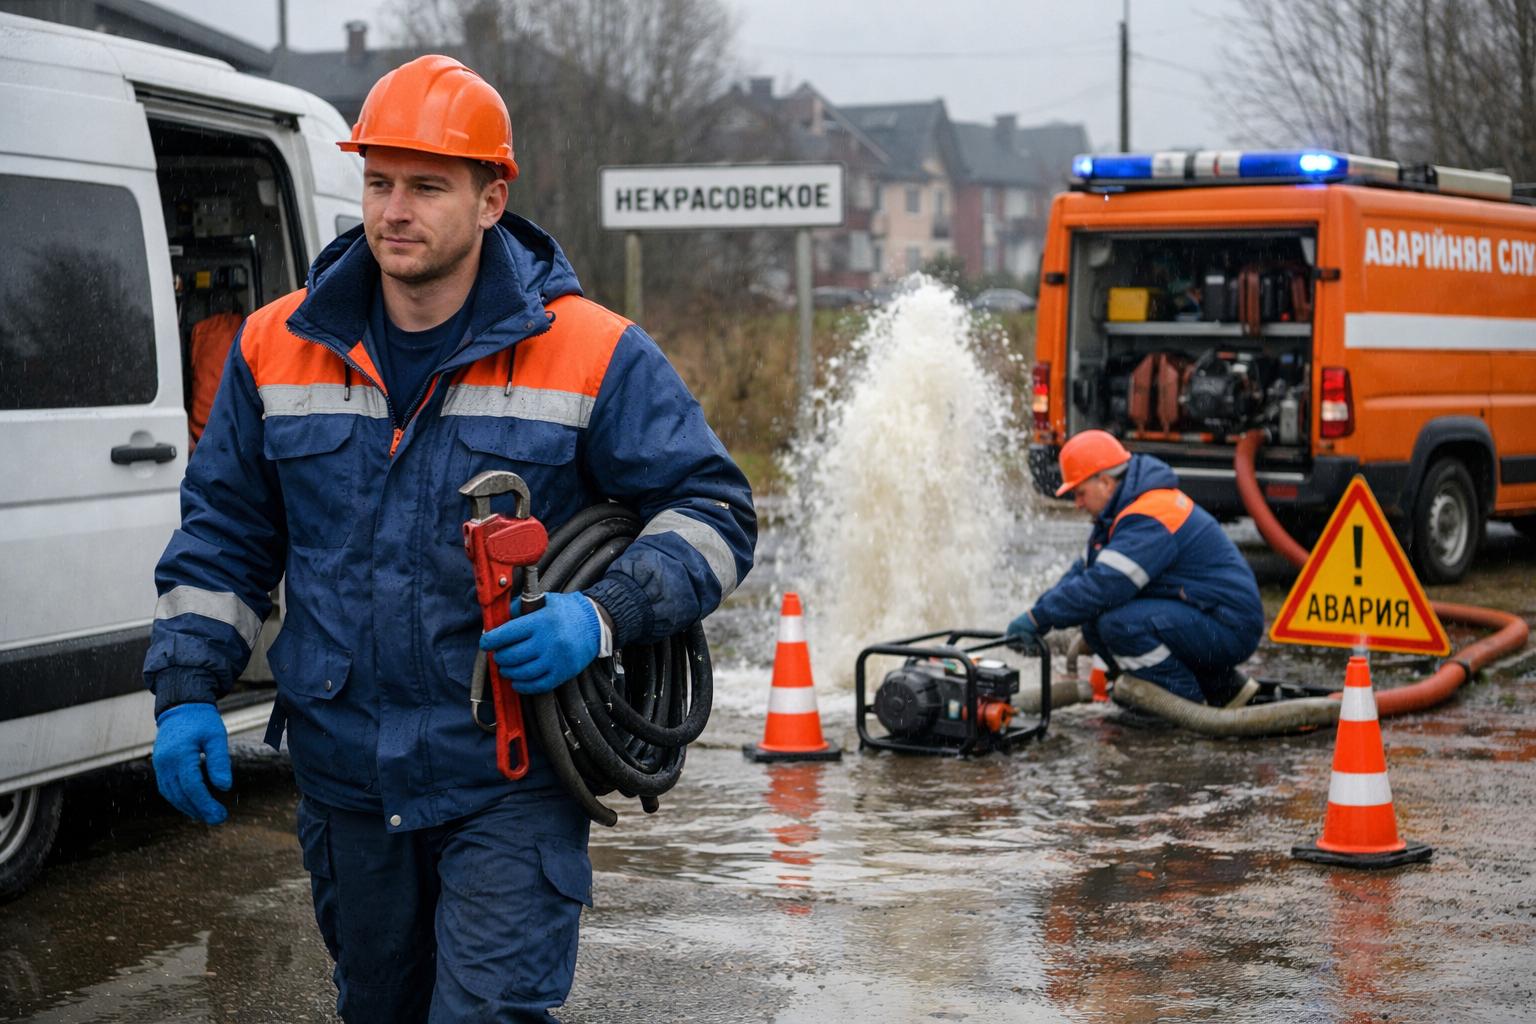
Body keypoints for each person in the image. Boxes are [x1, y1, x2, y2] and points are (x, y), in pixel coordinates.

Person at [143, 55, 756, 1022]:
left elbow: (714, 512)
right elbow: (224, 534)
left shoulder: (591, 349)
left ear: (491, 199)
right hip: (346, 775)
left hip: (507, 774)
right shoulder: (274, 346)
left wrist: (601, 616)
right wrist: (184, 692)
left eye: (427, 186)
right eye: (379, 182)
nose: (395, 209)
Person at [1007, 430, 1262, 707]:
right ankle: (1220, 688)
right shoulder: (1121, 513)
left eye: (1080, 493)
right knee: (1094, 622)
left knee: (1121, 625)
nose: (1078, 504)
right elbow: (1084, 572)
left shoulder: (1149, 515)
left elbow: (1103, 586)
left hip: (1230, 626)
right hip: (1206, 615)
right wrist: (1036, 613)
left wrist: (1039, 619)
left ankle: (1181, 703)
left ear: (1105, 482)